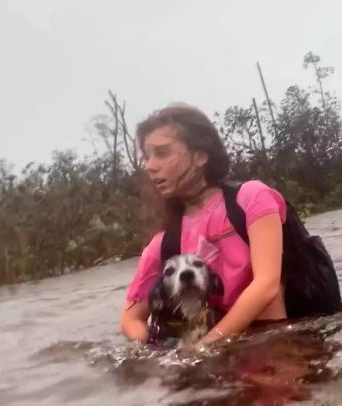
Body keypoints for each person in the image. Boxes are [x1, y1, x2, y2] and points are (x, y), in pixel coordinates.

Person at [120, 103, 288, 346]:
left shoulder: (251, 199)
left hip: (276, 341)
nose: (150, 166)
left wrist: (206, 346)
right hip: (217, 354)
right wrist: (159, 353)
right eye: (147, 157)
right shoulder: (164, 243)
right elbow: (130, 319)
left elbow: (267, 285)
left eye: (162, 153)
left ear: (200, 155)